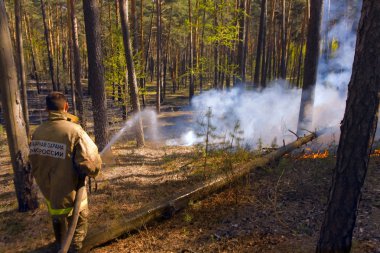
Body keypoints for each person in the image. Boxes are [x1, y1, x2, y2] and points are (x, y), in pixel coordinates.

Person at [29, 92, 102, 252]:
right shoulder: (75, 131)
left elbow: (34, 161)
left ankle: (60, 246)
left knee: (59, 226)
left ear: (46, 109)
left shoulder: (38, 132)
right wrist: (93, 171)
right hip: (72, 195)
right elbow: (91, 164)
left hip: (50, 194)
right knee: (76, 234)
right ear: (66, 107)